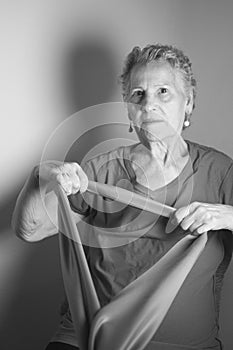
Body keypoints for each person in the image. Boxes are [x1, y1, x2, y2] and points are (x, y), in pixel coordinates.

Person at [12, 44, 233, 350]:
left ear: (189, 102)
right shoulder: (100, 170)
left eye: (163, 91)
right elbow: (29, 230)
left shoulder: (220, 171)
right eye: (138, 94)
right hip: (93, 338)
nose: (149, 104)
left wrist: (228, 216)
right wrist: (39, 177)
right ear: (128, 109)